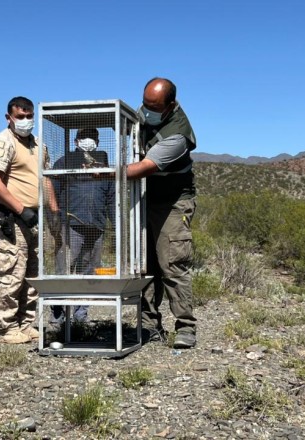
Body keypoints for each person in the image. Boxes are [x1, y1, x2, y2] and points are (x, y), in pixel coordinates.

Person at [127, 77, 198, 349]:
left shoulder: (177, 135)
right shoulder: (147, 112)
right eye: (144, 103)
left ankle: (185, 326)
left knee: (171, 263)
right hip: (144, 198)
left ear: (169, 106)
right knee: (143, 263)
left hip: (172, 202)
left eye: (153, 106)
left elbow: (143, 168)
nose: (145, 110)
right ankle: (148, 323)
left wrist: (107, 173)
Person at [0, 96, 57, 344]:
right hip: (12, 218)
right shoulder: (3, 142)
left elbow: (46, 178)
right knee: (12, 273)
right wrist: (20, 209)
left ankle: (26, 324)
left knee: (33, 273)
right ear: (9, 118)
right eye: (20, 116)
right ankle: (7, 327)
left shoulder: (40, 145)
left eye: (29, 117)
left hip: (35, 218)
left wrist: (53, 211)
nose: (25, 121)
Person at [50, 128, 114, 325]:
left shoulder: (104, 166)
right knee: (65, 268)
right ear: (76, 141)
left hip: (96, 224)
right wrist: (56, 219)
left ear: (98, 141)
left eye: (93, 137)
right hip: (71, 224)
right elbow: (53, 190)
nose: (89, 141)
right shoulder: (65, 162)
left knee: (89, 270)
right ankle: (58, 317)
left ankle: (80, 317)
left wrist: (117, 225)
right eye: (85, 137)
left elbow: (111, 197)